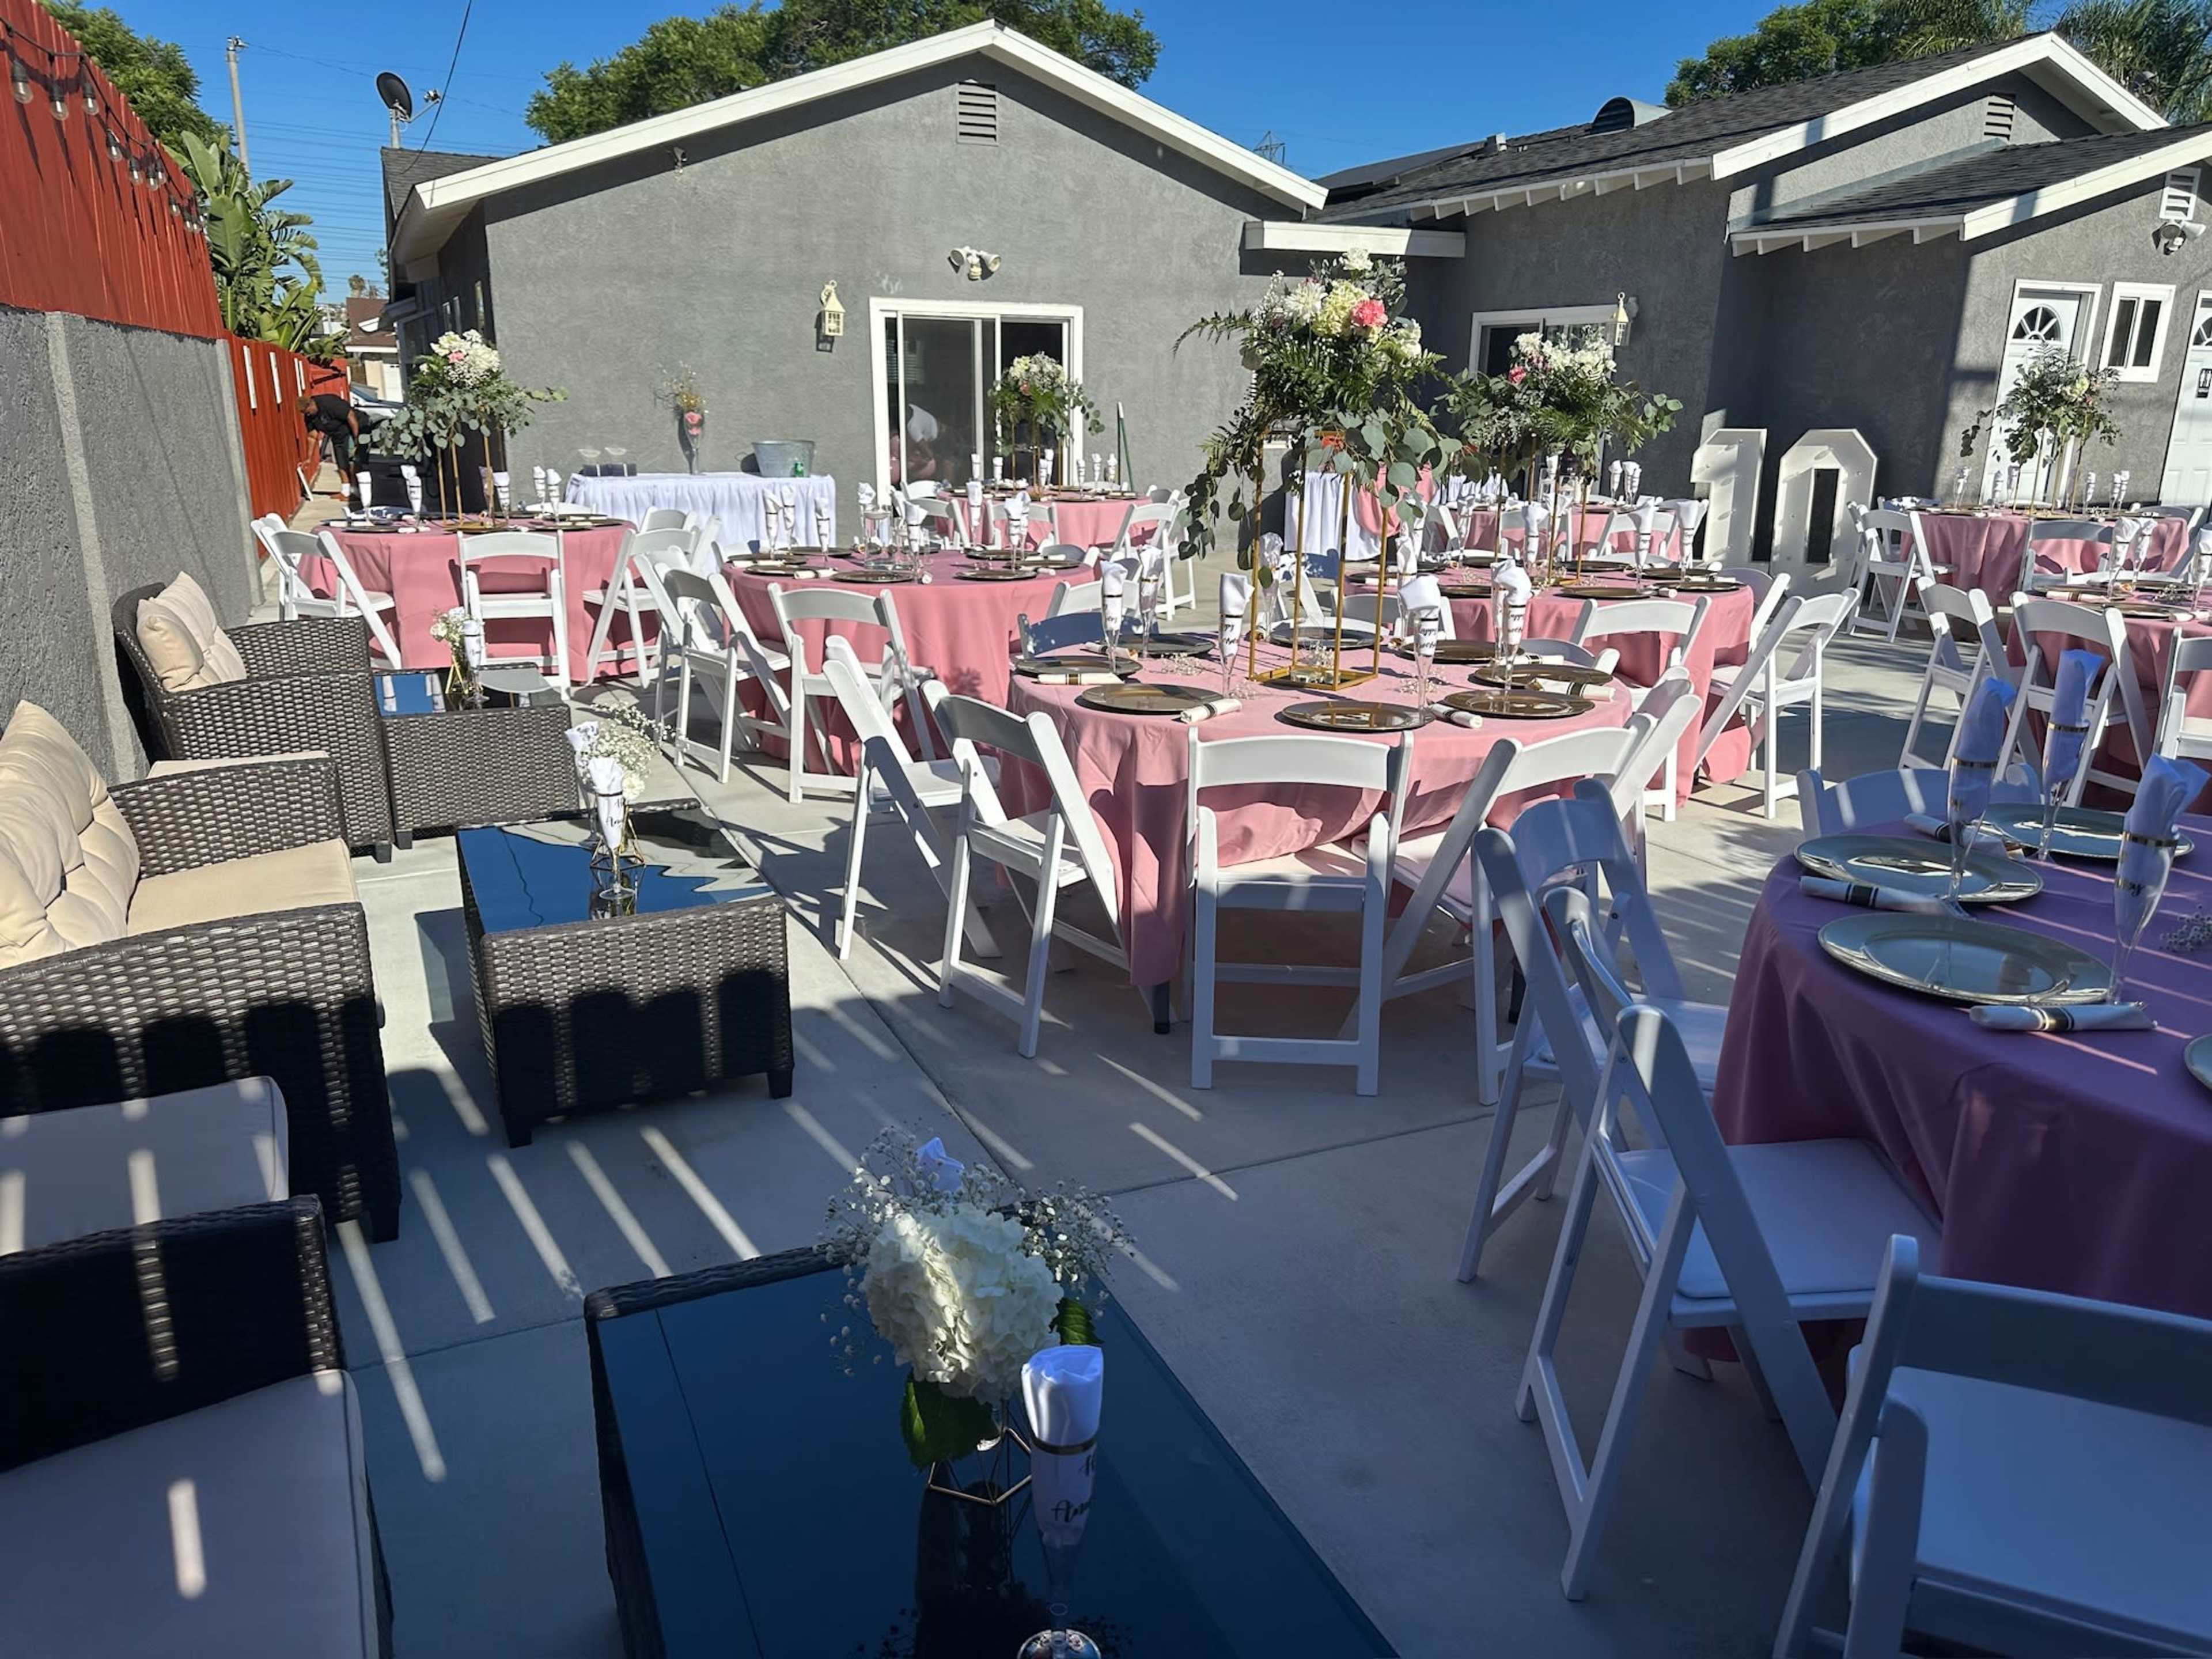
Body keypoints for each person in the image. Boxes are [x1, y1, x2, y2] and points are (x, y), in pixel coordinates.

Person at [299, 392, 361, 495]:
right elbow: (312, 437)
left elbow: (350, 416)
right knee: (341, 461)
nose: (307, 415)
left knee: (352, 461)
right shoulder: (310, 417)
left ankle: (355, 492)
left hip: (350, 430)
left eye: (307, 412)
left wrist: (357, 438)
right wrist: (309, 458)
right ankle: (346, 491)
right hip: (337, 436)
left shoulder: (329, 403)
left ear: (311, 404)